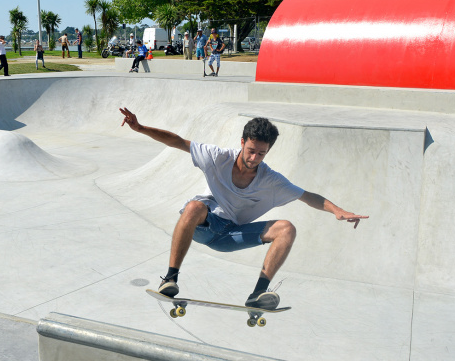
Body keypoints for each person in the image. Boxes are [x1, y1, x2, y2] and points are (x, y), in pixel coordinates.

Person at [118, 108, 368, 309]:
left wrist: (337, 210)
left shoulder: (271, 179)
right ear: (242, 143)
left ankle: (258, 294)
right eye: (251, 151)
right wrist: (140, 128)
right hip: (206, 226)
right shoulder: (217, 157)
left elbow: (307, 196)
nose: (254, 158)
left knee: (286, 228)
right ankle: (171, 278)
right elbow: (179, 142)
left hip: (233, 235)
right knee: (194, 207)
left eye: (261, 153)